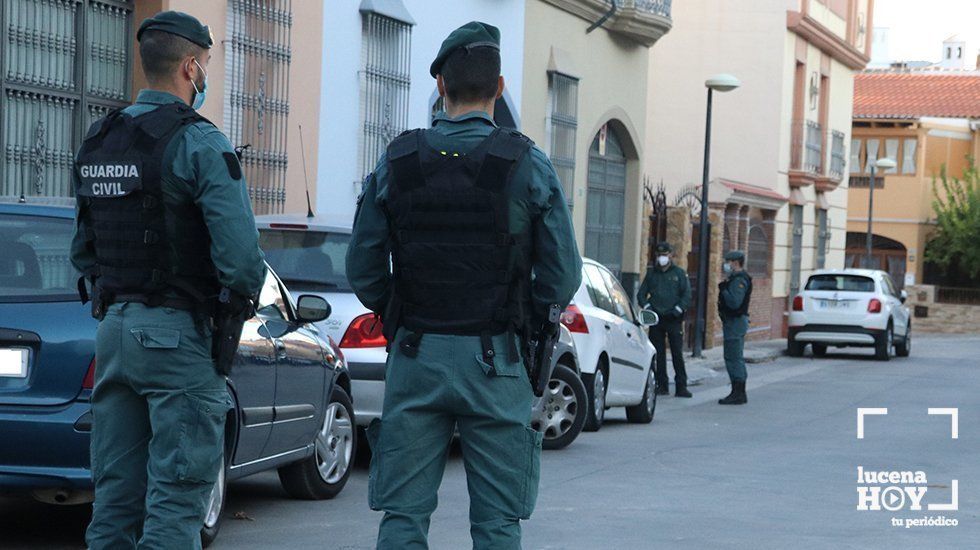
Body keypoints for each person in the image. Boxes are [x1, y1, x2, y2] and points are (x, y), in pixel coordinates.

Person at [347, 21, 582, 550]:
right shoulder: (527, 165)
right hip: (497, 360)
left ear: (440, 86)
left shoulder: (398, 160)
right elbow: (563, 274)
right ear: (498, 89)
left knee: (403, 519)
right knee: (498, 524)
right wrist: (524, 318)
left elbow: (362, 267)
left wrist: (399, 308)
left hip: (416, 354)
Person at [70, 11, 265, 549]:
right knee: (176, 507)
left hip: (113, 332)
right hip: (178, 338)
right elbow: (243, 262)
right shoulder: (201, 142)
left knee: (113, 505)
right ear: (190, 67)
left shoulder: (101, 139)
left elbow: (82, 250)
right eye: (206, 66)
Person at [637, 242, 692, 397]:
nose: (662, 258)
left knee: (677, 353)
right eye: (659, 255)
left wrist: (677, 310)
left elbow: (686, 295)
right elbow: (641, 294)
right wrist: (649, 308)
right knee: (658, 354)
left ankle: (681, 385)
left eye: (665, 255)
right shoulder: (652, 274)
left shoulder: (679, 274)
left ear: (670, 255)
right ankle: (662, 385)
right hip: (656, 319)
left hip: (673, 319)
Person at [717, 250, 752, 405]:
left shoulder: (739, 281)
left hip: (735, 322)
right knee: (734, 356)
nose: (726, 264)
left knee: (733, 357)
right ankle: (738, 391)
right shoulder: (736, 278)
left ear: (735, 262)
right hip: (733, 322)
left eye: (729, 262)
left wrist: (724, 290)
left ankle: (738, 392)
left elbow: (734, 302)